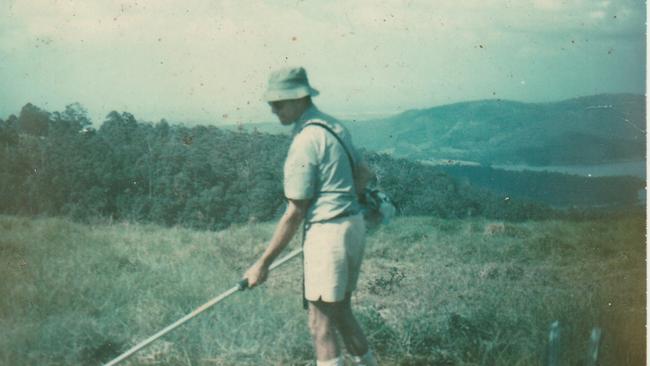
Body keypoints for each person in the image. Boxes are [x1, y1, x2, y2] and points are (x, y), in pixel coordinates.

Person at [243, 66, 378, 366]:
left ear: (298, 99)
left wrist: (262, 265)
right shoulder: (334, 126)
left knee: (320, 326)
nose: (273, 110)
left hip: (327, 234)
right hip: (352, 226)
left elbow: (294, 213)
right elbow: (365, 172)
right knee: (341, 312)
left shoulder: (305, 141)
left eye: (278, 104)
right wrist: (342, 201)